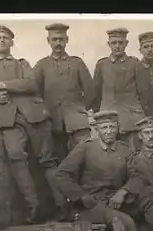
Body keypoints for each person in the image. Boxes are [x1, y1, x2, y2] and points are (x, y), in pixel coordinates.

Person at [0, 25, 65, 223]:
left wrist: (2, 85)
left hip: (35, 116)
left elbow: (32, 84)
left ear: (12, 42)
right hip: (8, 120)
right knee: (17, 157)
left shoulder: (23, 63)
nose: (2, 40)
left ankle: (64, 207)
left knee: (48, 161)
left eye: (6, 38)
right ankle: (33, 208)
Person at [34, 23, 95, 158]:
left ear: (67, 40)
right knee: (55, 159)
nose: (58, 43)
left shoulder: (77, 63)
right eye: (54, 39)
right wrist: (44, 112)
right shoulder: (41, 65)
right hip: (52, 122)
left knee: (84, 156)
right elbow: (35, 92)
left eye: (61, 39)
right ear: (48, 41)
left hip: (77, 122)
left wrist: (81, 110)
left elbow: (90, 90)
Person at [92, 28, 153, 151]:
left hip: (131, 120)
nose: (117, 46)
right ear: (109, 44)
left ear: (126, 43)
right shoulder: (102, 65)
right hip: (108, 119)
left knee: (133, 153)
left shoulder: (135, 63)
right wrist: (101, 113)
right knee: (108, 154)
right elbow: (96, 93)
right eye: (114, 43)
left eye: (120, 42)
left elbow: (144, 93)